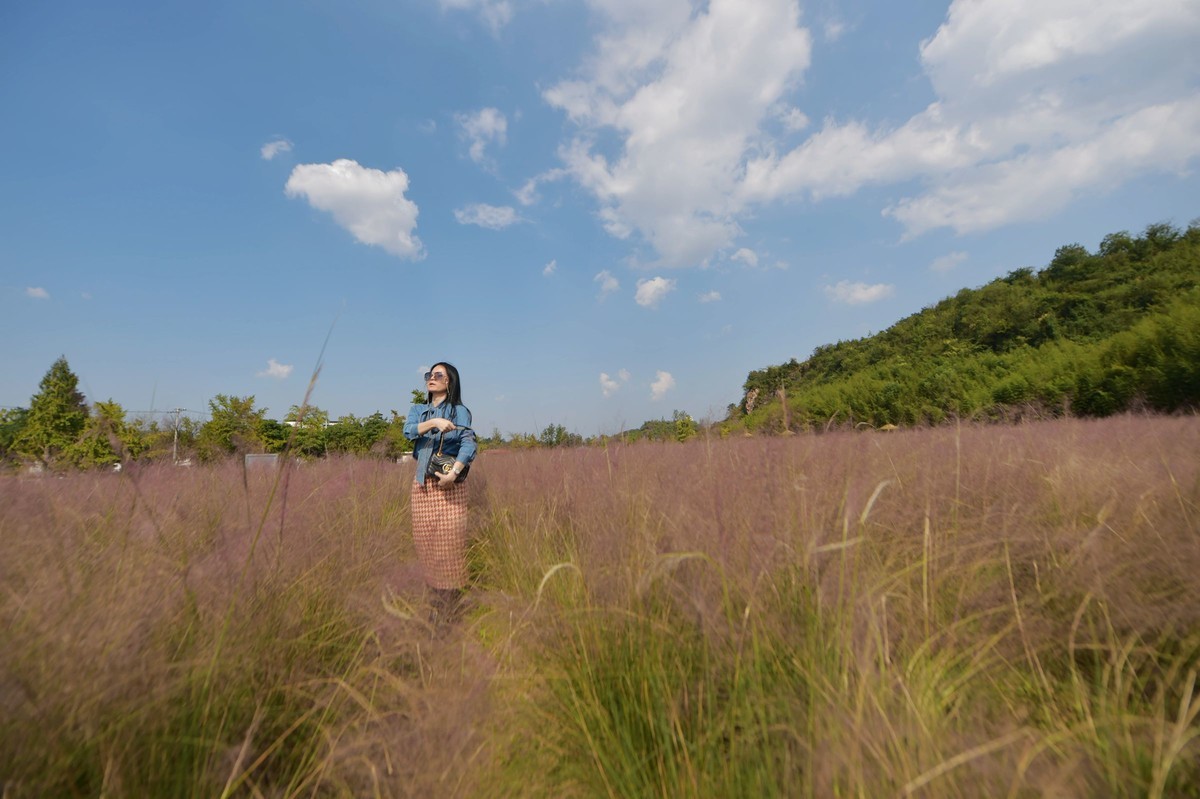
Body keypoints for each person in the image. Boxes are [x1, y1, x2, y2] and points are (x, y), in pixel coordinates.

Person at [403, 361, 478, 629]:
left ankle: (450, 612)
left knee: (449, 547)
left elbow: (469, 442)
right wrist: (434, 421)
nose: (431, 379)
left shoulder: (459, 411)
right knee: (427, 547)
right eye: (429, 375)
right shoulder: (418, 411)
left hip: (450, 486)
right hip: (422, 487)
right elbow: (408, 431)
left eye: (438, 375)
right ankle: (434, 607)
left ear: (450, 382)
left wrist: (454, 472)